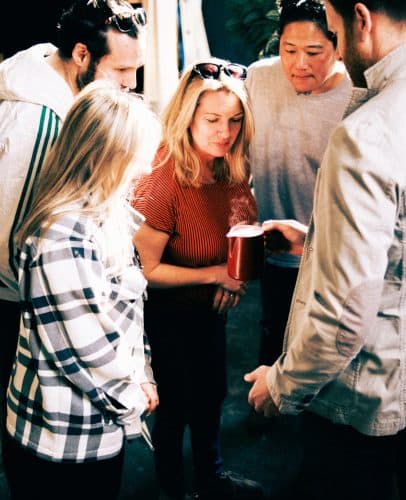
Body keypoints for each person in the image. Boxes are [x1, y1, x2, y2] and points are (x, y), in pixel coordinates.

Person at [245, 1, 406, 499]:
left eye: (333, 34)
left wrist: (279, 386)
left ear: (361, 19)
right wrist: (318, 240)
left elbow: (343, 319)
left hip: (367, 413)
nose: (336, 51)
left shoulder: (368, 132)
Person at [0, 0, 147, 454]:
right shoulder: (42, 122)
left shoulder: (46, 84)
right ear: (81, 54)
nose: (132, 83)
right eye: (121, 69)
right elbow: (13, 241)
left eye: (136, 68)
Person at [3, 80, 161, 500]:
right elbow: (84, 349)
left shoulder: (103, 214)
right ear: (106, 158)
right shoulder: (62, 235)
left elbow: (125, 313)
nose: (145, 170)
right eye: (138, 159)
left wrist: (140, 373)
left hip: (87, 428)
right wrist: (133, 397)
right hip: (59, 443)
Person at [132, 58, 263, 500]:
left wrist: (236, 279)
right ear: (187, 115)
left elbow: (239, 237)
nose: (224, 132)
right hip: (166, 317)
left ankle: (211, 478)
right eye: (211, 120)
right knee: (175, 411)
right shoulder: (164, 177)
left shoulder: (230, 165)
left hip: (211, 313)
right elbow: (145, 270)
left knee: (210, 401)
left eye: (234, 120)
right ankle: (172, 490)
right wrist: (216, 276)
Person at [243, 0, 374, 431]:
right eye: (288, 49)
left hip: (331, 259)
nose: (298, 64)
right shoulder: (258, 78)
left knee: (325, 358)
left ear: (338, 47)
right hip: (270, 249)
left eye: (314, 52)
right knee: (272, 337)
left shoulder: (360, 97)